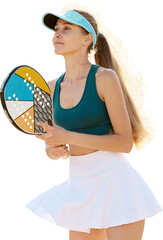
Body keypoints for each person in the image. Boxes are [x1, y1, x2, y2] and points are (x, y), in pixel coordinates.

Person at [25, 9, 163, 240]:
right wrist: (53, 150)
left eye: (66, 29)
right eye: (56, 30)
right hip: (79, 186)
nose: (57, 35)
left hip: (116, 184)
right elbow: (51, 146)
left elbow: (124, 142)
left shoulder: (104, 78)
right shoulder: (47, 88)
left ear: (87, 38)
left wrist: (67, 137)